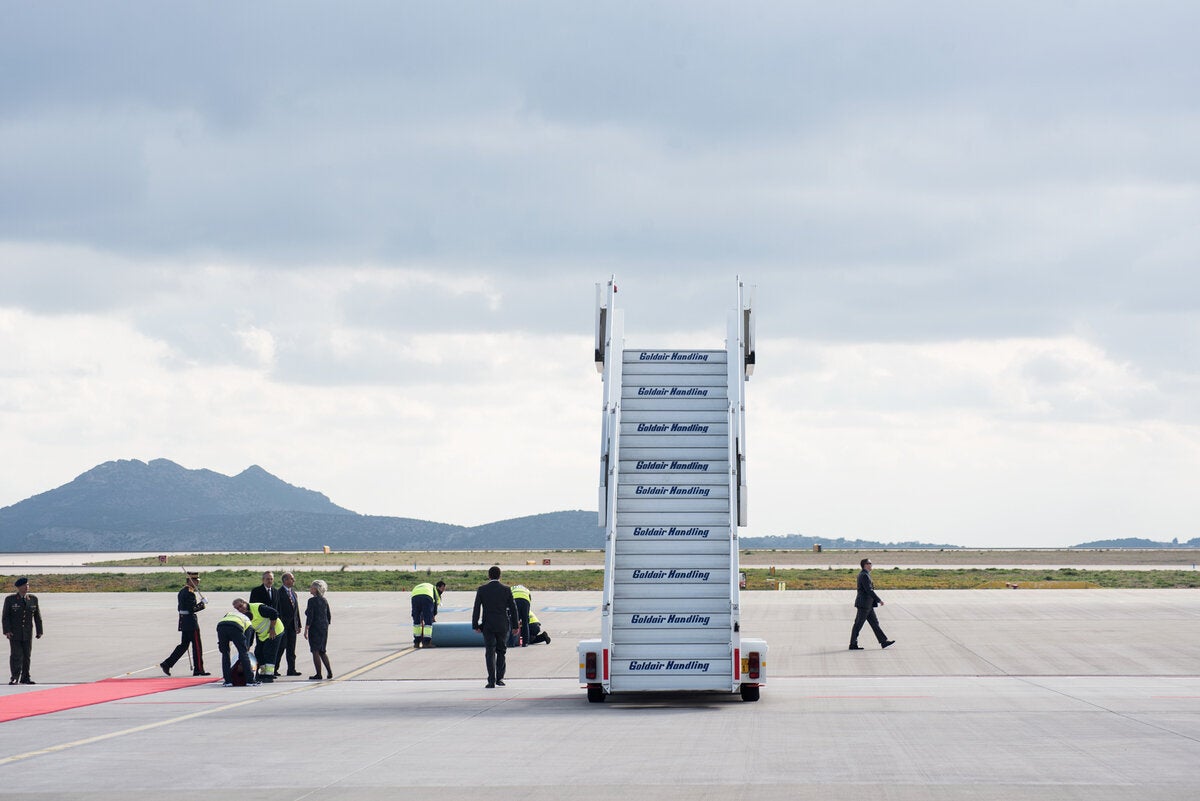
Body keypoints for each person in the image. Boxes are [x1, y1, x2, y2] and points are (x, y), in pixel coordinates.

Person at [472, 566, 519, 689]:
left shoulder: (482, 590)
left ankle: (491, 680)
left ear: (489, 576)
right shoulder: (506, 590)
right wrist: (515, 625)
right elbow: (513, 609)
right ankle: (500, 678)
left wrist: (475, 625)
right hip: (502, 624)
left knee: (489, 652)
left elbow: (477, 608)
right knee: (501, 651)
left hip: (488, 625)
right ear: (500, 576)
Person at [160, 571, 209, 676]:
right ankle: (199, 669)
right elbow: (192, 609)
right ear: (191, 581)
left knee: (184, 645)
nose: (198, 583)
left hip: (184, 621)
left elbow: (180, 608)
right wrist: (202, 604)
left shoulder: (182, 591)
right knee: (197, 646)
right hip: (191, 622)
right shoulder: (190, 592)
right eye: (196, 581)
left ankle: (167, 663)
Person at [3, 577, 43, 685]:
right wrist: (7, 630)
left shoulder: (33, 599)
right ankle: (15, 677)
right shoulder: (10, 600)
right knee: (16, 655)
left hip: (27, 632)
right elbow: (5, 617)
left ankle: (25, 677)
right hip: (14, 633)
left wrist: (39, 631)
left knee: (27, 655)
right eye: (25, 585)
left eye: (28, 585)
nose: (27, 587)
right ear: (19, 587)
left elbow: (37, 616)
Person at [850, 558, 895, 650]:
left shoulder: (865, 574)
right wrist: (879, 600)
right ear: (865, 565)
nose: (871, 565)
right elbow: (869, 590)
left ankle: (883, 642)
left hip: (868, 605)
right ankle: (853, 644)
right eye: (870, 563)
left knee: (875, 623)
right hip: (864, 605)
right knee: (858, 625)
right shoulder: (864, 575)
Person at [216, 599, 258, 687]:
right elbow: (247, 642)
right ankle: (250, 681)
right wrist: (245, 648)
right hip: (236, 627)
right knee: (243, 653)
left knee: (225, 653)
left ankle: (228, 681)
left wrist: (222, 644)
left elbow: (226, 623)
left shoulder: (230, 613)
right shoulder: (248, 622)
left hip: (221, 626)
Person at [274, 572, 303, 676]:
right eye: (291, 579)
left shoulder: (293, 593)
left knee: (291, 649)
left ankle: (291, 669)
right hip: (283, 626)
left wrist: (298, 624)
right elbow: (277, 610)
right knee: (281, 648)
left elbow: (296, 610)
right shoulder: (278, 593)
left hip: (292, 626)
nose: (293, 580)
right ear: (285, 580)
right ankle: (274, 669)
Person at [247, 600, 283, 682]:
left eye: (241, 606)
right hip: (263, 635)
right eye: (237, 608)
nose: (240, 608)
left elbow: (274, 613)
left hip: (275, 631)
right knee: (258, 652)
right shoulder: (244, 616)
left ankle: (269, 675)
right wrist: (248, 645)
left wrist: (272, 628)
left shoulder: (258, 608)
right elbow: (251, 631)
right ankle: (263, 673)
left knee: (269, 652)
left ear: (245, 603)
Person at [304, 579, 332, 680]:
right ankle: (329, 672)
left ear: (315, 589)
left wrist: (306, 629)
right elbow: (328, 615)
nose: (310, 589)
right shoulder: (324, 600)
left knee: (315, 650)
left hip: (315, 627)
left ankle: (318, 674)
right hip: (323, 628)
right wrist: (325, 626)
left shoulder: (311, 601)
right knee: (322, 651)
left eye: (311, 587)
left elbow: (310, 616)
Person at [410, 580, 445, 648]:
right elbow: (434, 607)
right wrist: (433, 617)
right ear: (438, 587)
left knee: (417, 621)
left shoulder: (428, 586)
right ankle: (426, 642)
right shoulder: (434, 591)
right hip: (426, 597)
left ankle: (416, 642)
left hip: (415, 595)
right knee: (428, 621)